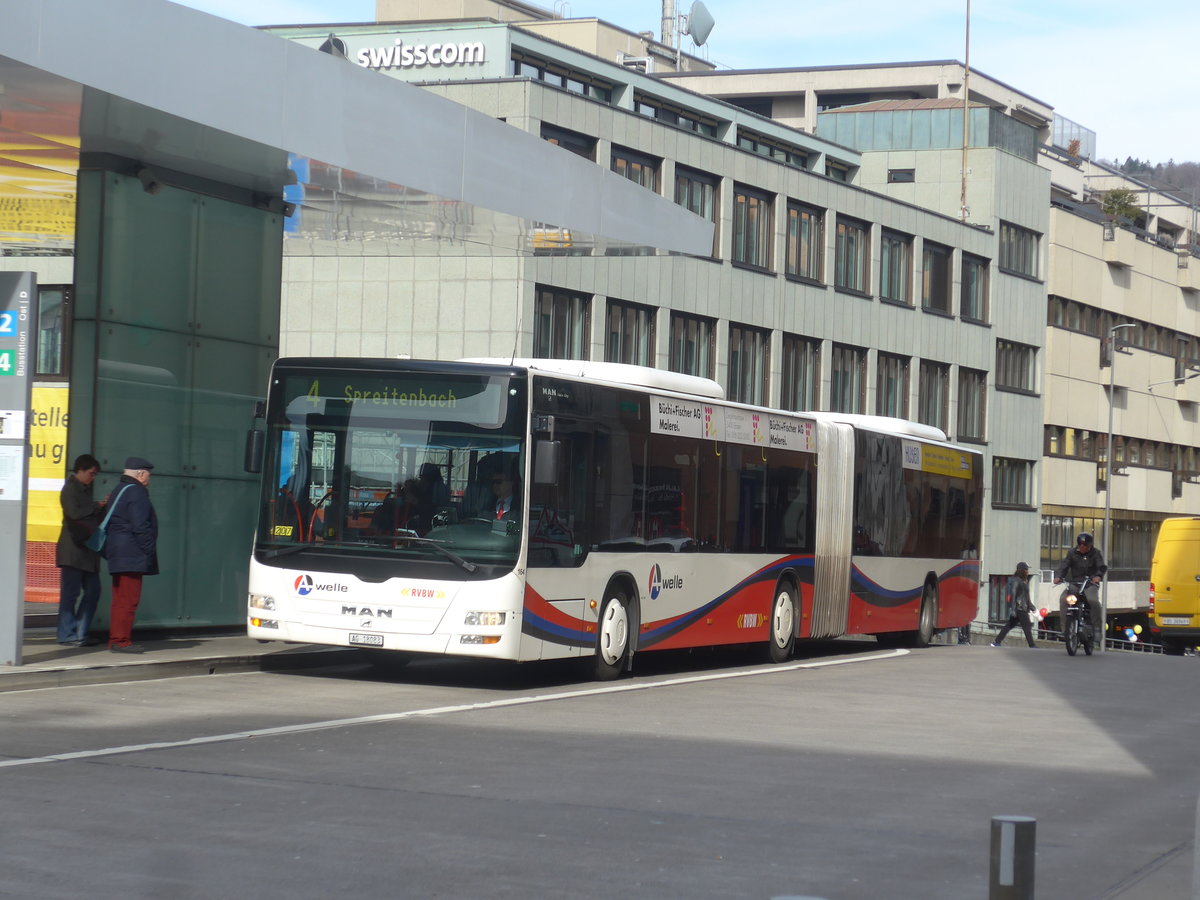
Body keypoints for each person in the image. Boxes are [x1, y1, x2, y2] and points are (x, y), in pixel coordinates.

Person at [103, 456, 160, 653]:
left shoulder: (120, 490)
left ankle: (116, 638)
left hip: (118, 552)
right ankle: (121, 640)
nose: (149, 479)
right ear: (141, 474)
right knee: (128, 600)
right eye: (148, 475)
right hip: (131, 554)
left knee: (119, 599)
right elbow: (140, 526)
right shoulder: (137, 492)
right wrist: (149, 549)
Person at [54, 453, 106, 647]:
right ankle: (67, 634)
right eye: (91, 473)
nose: (93, 477)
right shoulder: (69, 489)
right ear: (80, 470)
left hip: (86, 551)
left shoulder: (84, 489)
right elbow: (75, 512)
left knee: (93, 590)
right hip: (73, 551)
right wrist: (96, 506)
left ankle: (80, 632)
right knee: (71, 594)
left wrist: (99, 507)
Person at [1053, 532, 1107, 640]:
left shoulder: (1096, 553)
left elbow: (1101, 567)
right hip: (1075, 584)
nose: (1082, 546)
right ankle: (1065, 631)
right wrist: (1058, 576)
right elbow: (1064, 565)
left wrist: (1098, 576)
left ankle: (1097, 629)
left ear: (1090, 545)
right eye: (1080, 544)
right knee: (1064, 599)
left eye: (1085, 544)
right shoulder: (1072, 553)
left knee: (1093, 601)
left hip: (1089, 584)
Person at [991, 562, 1037, 648]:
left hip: (1021, 608)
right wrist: (1013, 610)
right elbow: (1013, 595)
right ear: (1022, 570)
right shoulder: (1016, 580)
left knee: (1009, 625)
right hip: (1019, 608)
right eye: (1026, 569)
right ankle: (1032, 645)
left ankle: (996, 642)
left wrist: (1031, 607)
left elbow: (1026, 597)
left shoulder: (1024, 581)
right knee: (1027, 627)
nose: (1028, 571)